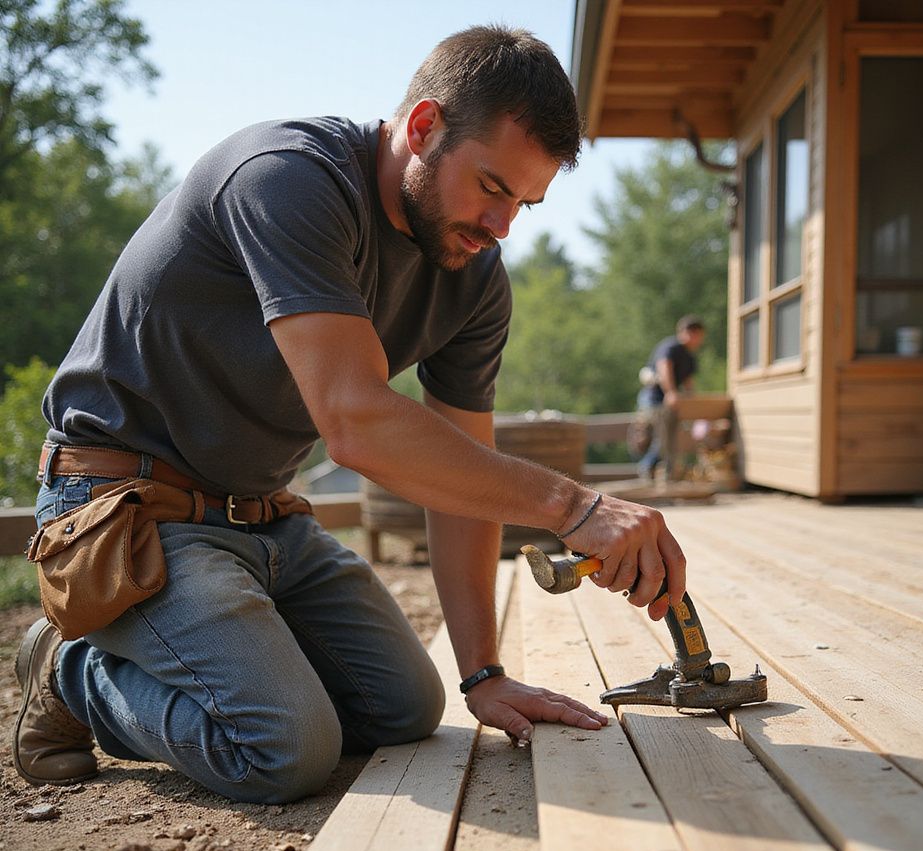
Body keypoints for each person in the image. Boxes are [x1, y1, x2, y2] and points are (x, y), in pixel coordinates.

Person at [13, 25, 687, 805]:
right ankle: (71, 671)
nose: (502, 228)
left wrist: (483, 674)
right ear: (425, 127)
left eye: (526, 204)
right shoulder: (286, 178)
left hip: (262, 517)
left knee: (404, 708)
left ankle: (221, 658)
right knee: (283, 750)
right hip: (125, 510)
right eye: (494, 188)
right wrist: (575, 506)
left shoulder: (472, 278)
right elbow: (355, 420)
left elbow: (457, 479)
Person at [636, 316, 705, 481]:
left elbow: (688, 382)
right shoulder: (671, 347)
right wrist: (671, 392)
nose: (700, 340)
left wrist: (693, 402)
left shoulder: (689, 357)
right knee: (661, 439)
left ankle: (663, 474)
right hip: (654, 399)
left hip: (669, 403)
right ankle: (647, 470)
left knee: (669, 440)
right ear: (689, 332)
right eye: (699, 335)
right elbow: (664, 368)